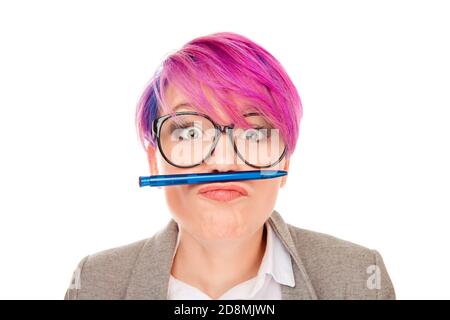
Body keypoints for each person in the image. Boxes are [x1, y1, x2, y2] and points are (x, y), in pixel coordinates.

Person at [64, 32, 395, 300]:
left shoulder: (360, 279)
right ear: (155, 161)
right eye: (190, 131)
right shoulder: (95, 284)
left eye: (253, 134)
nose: (222, 163)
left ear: (286, 161)